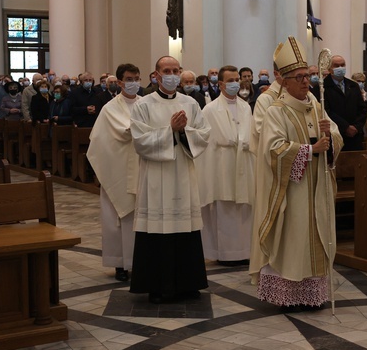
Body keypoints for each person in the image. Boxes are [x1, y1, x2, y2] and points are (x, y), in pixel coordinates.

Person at [249, 36, 343, 311]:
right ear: (285, 81)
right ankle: (287, 296)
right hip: (292, 190)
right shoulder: (276, 112)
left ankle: (312, 294)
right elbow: (273, 149)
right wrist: (310, 150)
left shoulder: (316, 104)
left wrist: (331, 137)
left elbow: (334, 136)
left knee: (315, 235)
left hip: (317, 188)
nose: (306, 82)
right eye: (299, 77)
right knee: (293, 239)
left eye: (307, 76)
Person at [129, 55, 211, 303]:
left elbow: (204, 134)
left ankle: (189, 283)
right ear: (156, 75)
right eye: (167, 70)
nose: (172, 75)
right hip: (155, 177)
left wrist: (185, 132)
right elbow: (139, 141)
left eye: (176, 70)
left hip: (182, 173)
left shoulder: (191, 103)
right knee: (157, 231)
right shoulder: (142, 105)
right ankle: (158, 285)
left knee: (185, 229)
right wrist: (170, 130)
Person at [87, 63, 142, 283]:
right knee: (116, 219)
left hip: (142, 168)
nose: (134, 83)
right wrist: (129, 131)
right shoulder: (110, 108)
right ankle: (120, 262)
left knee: (140, 219)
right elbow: (100, 140)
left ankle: (139, 261)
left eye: (137, 78)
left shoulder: (146, 104)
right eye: (129, 79)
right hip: (116, 169)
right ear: (119, 82)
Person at [196, 65, 255, 266]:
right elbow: (204, 140)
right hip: (222, 164)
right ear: (220, 84)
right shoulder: (210, 109)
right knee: (225, 207)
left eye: (237, 80)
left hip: (243, 162)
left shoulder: (246, 106)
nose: (235, 84)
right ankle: (225, 252)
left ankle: (245, 250)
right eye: (230, 81)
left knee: (244, 207)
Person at [310, 55, 366, 151]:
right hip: (335, 135)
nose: (340, 68)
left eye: (342, 65)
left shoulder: (353, 85)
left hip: (355, 136)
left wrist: (356, 126)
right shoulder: (321, 87)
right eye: (336, 65)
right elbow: (325, 111)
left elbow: (362, 108)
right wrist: (345, 127)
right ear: (329, 68)